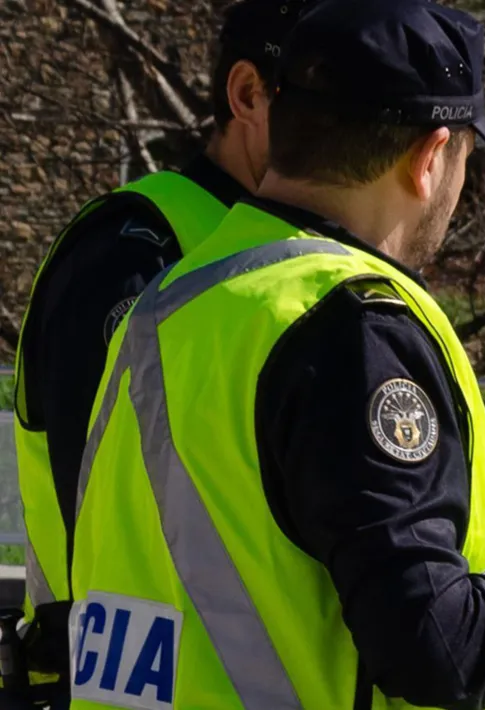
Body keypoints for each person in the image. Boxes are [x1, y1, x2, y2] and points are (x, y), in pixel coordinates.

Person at [66, 0, 485, 708]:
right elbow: (434, 650)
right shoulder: (351, 324)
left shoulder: (173, 303)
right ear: (428, 160)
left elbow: (248, 549)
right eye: (464, 164)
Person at [8, 0, 313, 692]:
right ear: (247, 95)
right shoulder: (131, 252)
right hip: (111, 682)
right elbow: (122, 507)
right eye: (330, 95)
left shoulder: (288, 250)